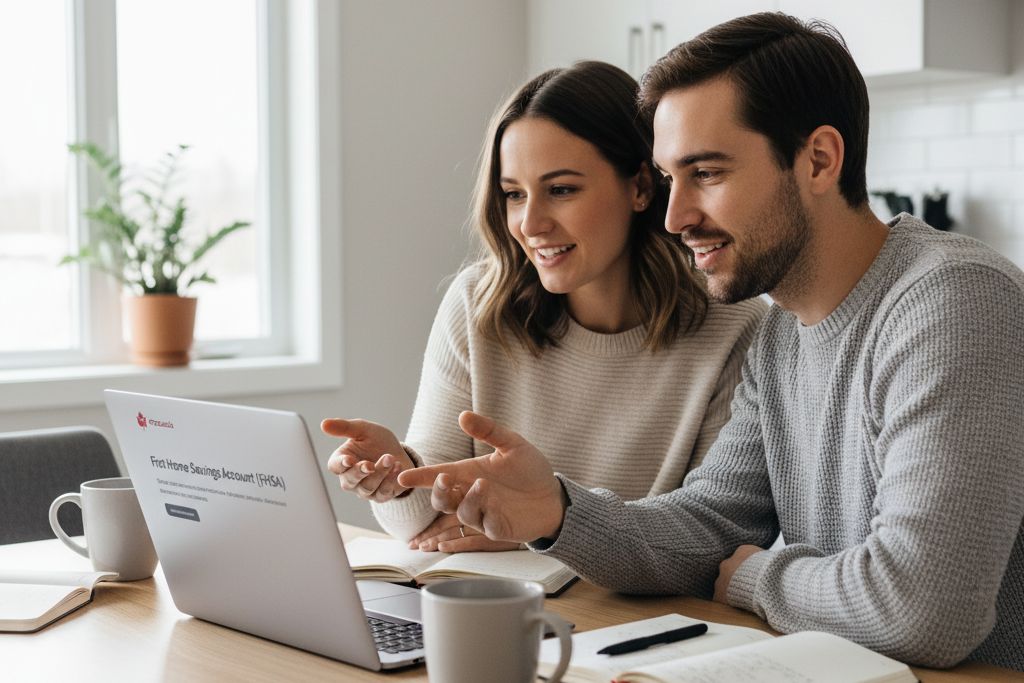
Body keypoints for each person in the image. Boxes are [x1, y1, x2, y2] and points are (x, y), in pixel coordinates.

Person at [398, 13, 1024, 671]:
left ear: (819, 160)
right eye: (671, 179)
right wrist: (555, 510)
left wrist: (757, 576)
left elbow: (923, 609)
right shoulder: (781, 335)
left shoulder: (955, 301)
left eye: (707, 173)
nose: (675, 217)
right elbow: (705, 528)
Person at [321, 61, 766, 554]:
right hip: (487, 594)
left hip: (623, 605)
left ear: (640, 187)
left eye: (561, 190)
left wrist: (531, 533)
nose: (530, 224)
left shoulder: (733, 325)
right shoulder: (477, 304)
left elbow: (704, 540)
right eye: (514, 194)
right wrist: (398, 478)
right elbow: (424, 527)